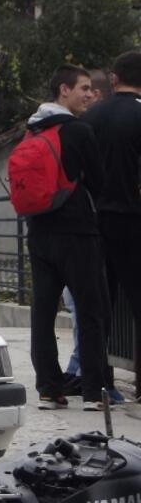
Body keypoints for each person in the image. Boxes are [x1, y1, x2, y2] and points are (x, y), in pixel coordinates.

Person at [25, 64, 109, 412]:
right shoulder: (79, 131)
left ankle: (48, 388)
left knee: (42, 313)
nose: (89, 95)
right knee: (91, 310)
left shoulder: (32, 129)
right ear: (64, 90)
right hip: (77, 232)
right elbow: (100, 182)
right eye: (83, 88)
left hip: (39, 232)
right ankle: (93, 391)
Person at [82, 51, 141, 403]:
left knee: (98, 303)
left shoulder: (91, 116)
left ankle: (100, 381)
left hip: (94, 219)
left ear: (114, 79)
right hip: (133, 220)